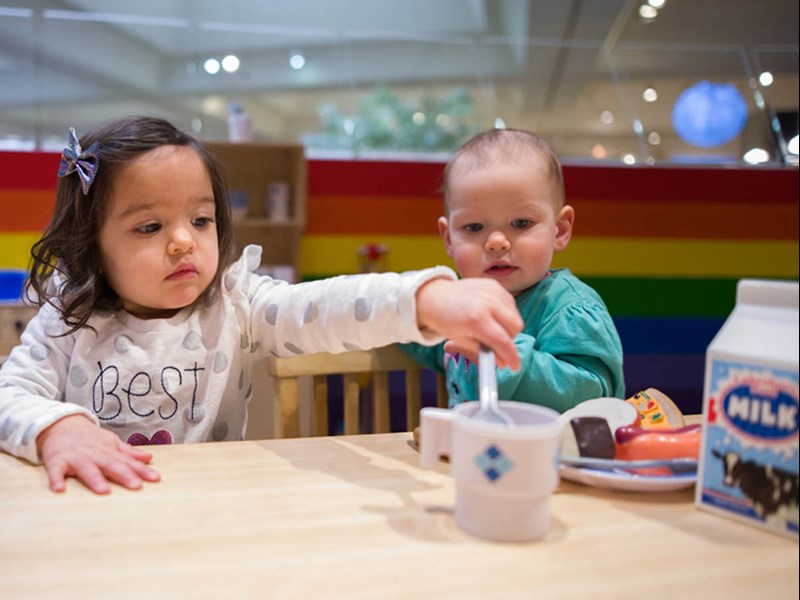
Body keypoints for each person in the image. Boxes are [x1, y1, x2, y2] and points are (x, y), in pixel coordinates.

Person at [0, 116, 523, 495]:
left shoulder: (237, 302)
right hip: (99, 507)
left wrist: (424, 298)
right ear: (91, 244)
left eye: (201, 220)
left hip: (216, 504)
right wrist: (55, 428)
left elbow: (325, 308)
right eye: (150, 226)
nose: (184, 241)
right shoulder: (69, 319)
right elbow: (9, 394)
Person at [402, 128, 624, 413]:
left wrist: (506, 355)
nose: (496, 242)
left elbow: (592, 395)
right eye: (474, 227)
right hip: (475, 452)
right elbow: (433, 344)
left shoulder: (569, 307)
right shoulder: (461, 305)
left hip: (555, 456)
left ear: (560, 229)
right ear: (448, 238)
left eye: (521, 223)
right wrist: (404, 313)